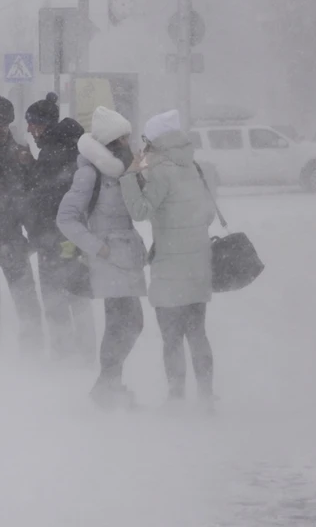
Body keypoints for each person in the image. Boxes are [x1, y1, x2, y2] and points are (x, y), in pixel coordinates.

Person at [119, 110, 217, 409]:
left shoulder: (160, 172)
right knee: (198, 333)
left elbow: (140, 211)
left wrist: (129, 176)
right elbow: (208, 214)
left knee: (172, 337)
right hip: (199, 263)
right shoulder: (196, 167)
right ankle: (206, 397)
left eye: (147, 141)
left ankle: (176, 397)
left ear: (157, 142)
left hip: (170, 269)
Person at [56, 106, 147, 408]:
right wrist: (99, 248)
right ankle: (109, 388)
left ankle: (108, 385)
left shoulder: (126, 171)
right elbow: (66, 218)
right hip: (108, 259)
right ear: (111, 142)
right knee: (123, 322)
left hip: (127, 257)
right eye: (124, 138)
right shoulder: (89, 173)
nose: (129, 143)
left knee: (130, 322)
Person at [25, 93, 96, 364]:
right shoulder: (71, 147)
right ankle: (88, 352)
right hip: (75, 237)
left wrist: (38, 235)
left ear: (44, 124)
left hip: (54, 239)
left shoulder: (53, 153)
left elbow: (46, 198)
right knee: (78, 295)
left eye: (32, 124)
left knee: (56, 298)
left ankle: (64, 356)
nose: (29, 130)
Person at [0, 96, 44, 354]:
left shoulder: (17, 152)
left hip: (10, 236)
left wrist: (33, 231)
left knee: (25, 297)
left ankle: (32, 350)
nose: (0, 128)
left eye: (4, 123)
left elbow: (30, 193)